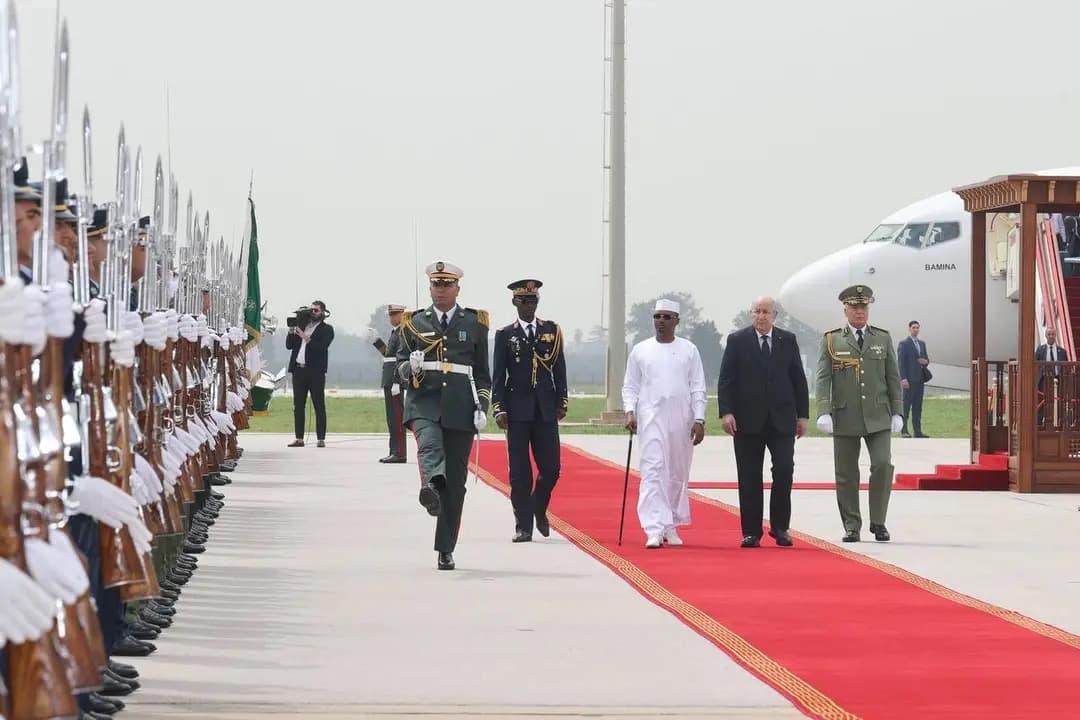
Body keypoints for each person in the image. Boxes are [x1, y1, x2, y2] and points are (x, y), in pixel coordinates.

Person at [396, 261, 491, 570]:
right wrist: (410, 368)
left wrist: (483, 406)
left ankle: (445, 547)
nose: (441, 289)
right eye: (436, 284)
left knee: (457, 484)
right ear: (430, 288)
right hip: (424, 401)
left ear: (457, 288)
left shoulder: (474, 323)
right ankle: (432, 486)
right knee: (429, 444)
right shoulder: (413, 323)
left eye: (446, 284)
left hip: (462, 406)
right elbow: (398, 366)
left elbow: (483, 374)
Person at [717, 296, 809, 548]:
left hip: (782, 420)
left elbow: (798, 379)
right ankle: (751, 531)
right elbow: (726, 380)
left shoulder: (787, 340)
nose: (761, 316)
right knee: (748, 476)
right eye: (757, 311)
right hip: (747, 421)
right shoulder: (737, 341)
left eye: (766, 311)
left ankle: (780, 527)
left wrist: (803, 415)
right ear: (751, 314)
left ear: (774, 315)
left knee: (784, 470)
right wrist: (726, 413)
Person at [815, 285, 903, 543]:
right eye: (854, 307)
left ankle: (879, 522)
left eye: (863, 307)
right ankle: (852, 525)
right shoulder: (832, 339)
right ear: (845, 310)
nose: (859, 312)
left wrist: (898, 411)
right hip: (845, 414)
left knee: (882, 465)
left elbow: (893, 377)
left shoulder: (882, 338)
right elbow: (822, 378)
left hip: (878, 416)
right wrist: (823, 410)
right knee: (846, 473)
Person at [621, 298, 707, 549]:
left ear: (677, 321)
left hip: (681, 420)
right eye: (657, 317)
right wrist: (629, 411)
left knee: (676, 474)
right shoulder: (640, 350)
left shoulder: (689, 350)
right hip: (650, 419)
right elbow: (631, 385)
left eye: (667, 317)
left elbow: (698, 387)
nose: (661, 321)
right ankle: (653, 528)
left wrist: (699, 418)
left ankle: (670, 525)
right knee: (653, 471)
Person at [491, 279, 568, 542]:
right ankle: (523, 525)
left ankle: (538, 507)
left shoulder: (551, 331)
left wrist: (562, 401)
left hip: (545, 409)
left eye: (533, 301)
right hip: (516, 411)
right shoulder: (505, 335)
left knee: (552, 469)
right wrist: (498, 408)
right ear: (515, 303)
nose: (529, 306)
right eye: (524, 301)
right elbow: (498, 376)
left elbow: (560, 369)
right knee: (520, 473)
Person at [285, 301, 335, 448]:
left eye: (316, 310)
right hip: (298, 370)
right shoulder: (302, 326)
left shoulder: (327, 329)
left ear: (323, 312)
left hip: (315, 372)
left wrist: (305, 337)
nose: (312, 313)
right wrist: (292, 332)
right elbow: (289, 346)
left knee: (318, 404)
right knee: (298, 405)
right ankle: (299, 438)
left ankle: (321, 438)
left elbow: (321, 348)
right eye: (311, 310)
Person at [368, 304, 408, 463]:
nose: (391, 318)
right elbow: (388, 354)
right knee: (391, 418)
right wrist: (377, 341)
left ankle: (399, 452)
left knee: (397, 417)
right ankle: (394, 450)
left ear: (402, 315)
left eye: (394, 315)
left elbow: (401, 358)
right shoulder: (395, 332)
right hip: (389, 379)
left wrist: (398, 381)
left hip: (394, 381)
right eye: (390, 315)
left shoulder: (403, 333)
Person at [897, 320, 930, 438]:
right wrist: (903, 379)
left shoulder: (922, 344)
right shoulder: (904, 344)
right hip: (909, 380)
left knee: (917, 406)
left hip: (920, 380)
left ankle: (917, 431)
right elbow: (901, 363)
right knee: (906, 406)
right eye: (914, 328)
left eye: (917, 328)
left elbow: (926, 359)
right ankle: (904, 430)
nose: (916, 330)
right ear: (909, 329)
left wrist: (925, 362)